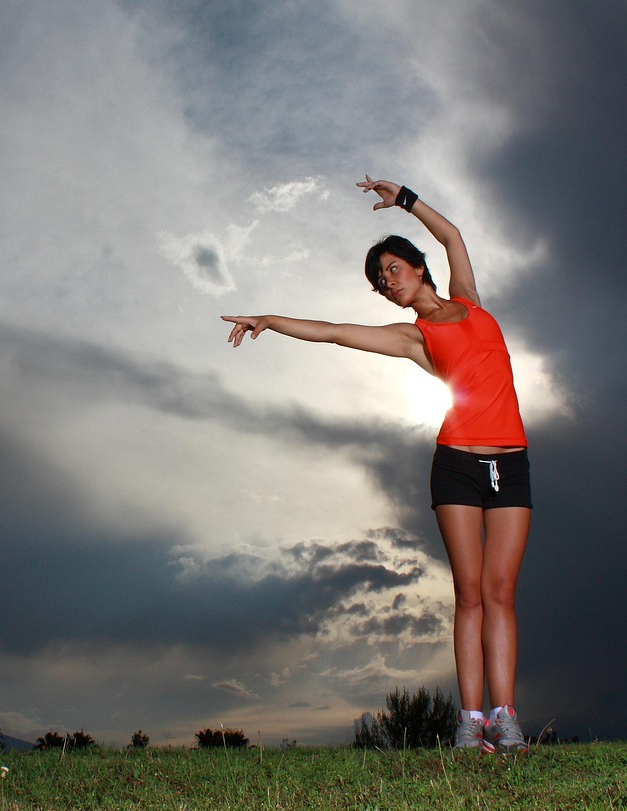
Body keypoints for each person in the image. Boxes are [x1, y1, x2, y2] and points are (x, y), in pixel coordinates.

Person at [221, 176, 531, 754]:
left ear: (418, 267)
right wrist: (270, 320)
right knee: (469, 593)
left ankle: (505, 719)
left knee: (501, 593)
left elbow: (453, 236)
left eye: (392, 269)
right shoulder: (413, 339)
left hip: (511, 465)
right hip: (458, 465)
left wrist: (406, 201)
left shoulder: (470, 301)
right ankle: (471, 724)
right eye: (380, 281)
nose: (388, 282)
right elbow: (337, 333)